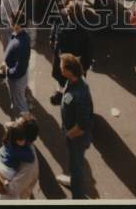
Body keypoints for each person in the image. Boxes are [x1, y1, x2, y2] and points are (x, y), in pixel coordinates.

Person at [56, 53, 94, 199]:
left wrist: (69, 135)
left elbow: (83, 125)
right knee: (73, 162)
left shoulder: (81, 94)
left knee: (77, 166)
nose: (59, 69)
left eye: (61, 67)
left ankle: (78, 196)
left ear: (69, 70)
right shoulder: (73, 81)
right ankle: (73, 180)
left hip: (76, 137)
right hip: (72, 133)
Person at [49, 0, 93, 105]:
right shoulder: (63, 14)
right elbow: (55, 26)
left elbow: (88, 49)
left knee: (73, 85)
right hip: (62, 57)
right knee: (61, 78)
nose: (68, 17)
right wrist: (52, 38)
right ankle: (60, 93)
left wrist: (85, 66)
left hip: (75, 62)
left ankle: (68, 101)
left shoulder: (84, 28)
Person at [0, 118, 36, 198]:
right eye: (21, 139)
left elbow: (8, 125)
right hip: (7, 171)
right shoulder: (21, 151)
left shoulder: (8, 138)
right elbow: (31, 157)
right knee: (7, 192)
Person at [0, 12, 31, 116]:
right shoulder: (19, 34)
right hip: (16, 76)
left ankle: (26, 123)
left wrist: (7, 71)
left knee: (20, 103)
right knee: (18, 100)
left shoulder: (20, 43)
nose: (9, 22)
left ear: (17, 24)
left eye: (11, 21)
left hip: (16, 79)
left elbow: (19, 69)